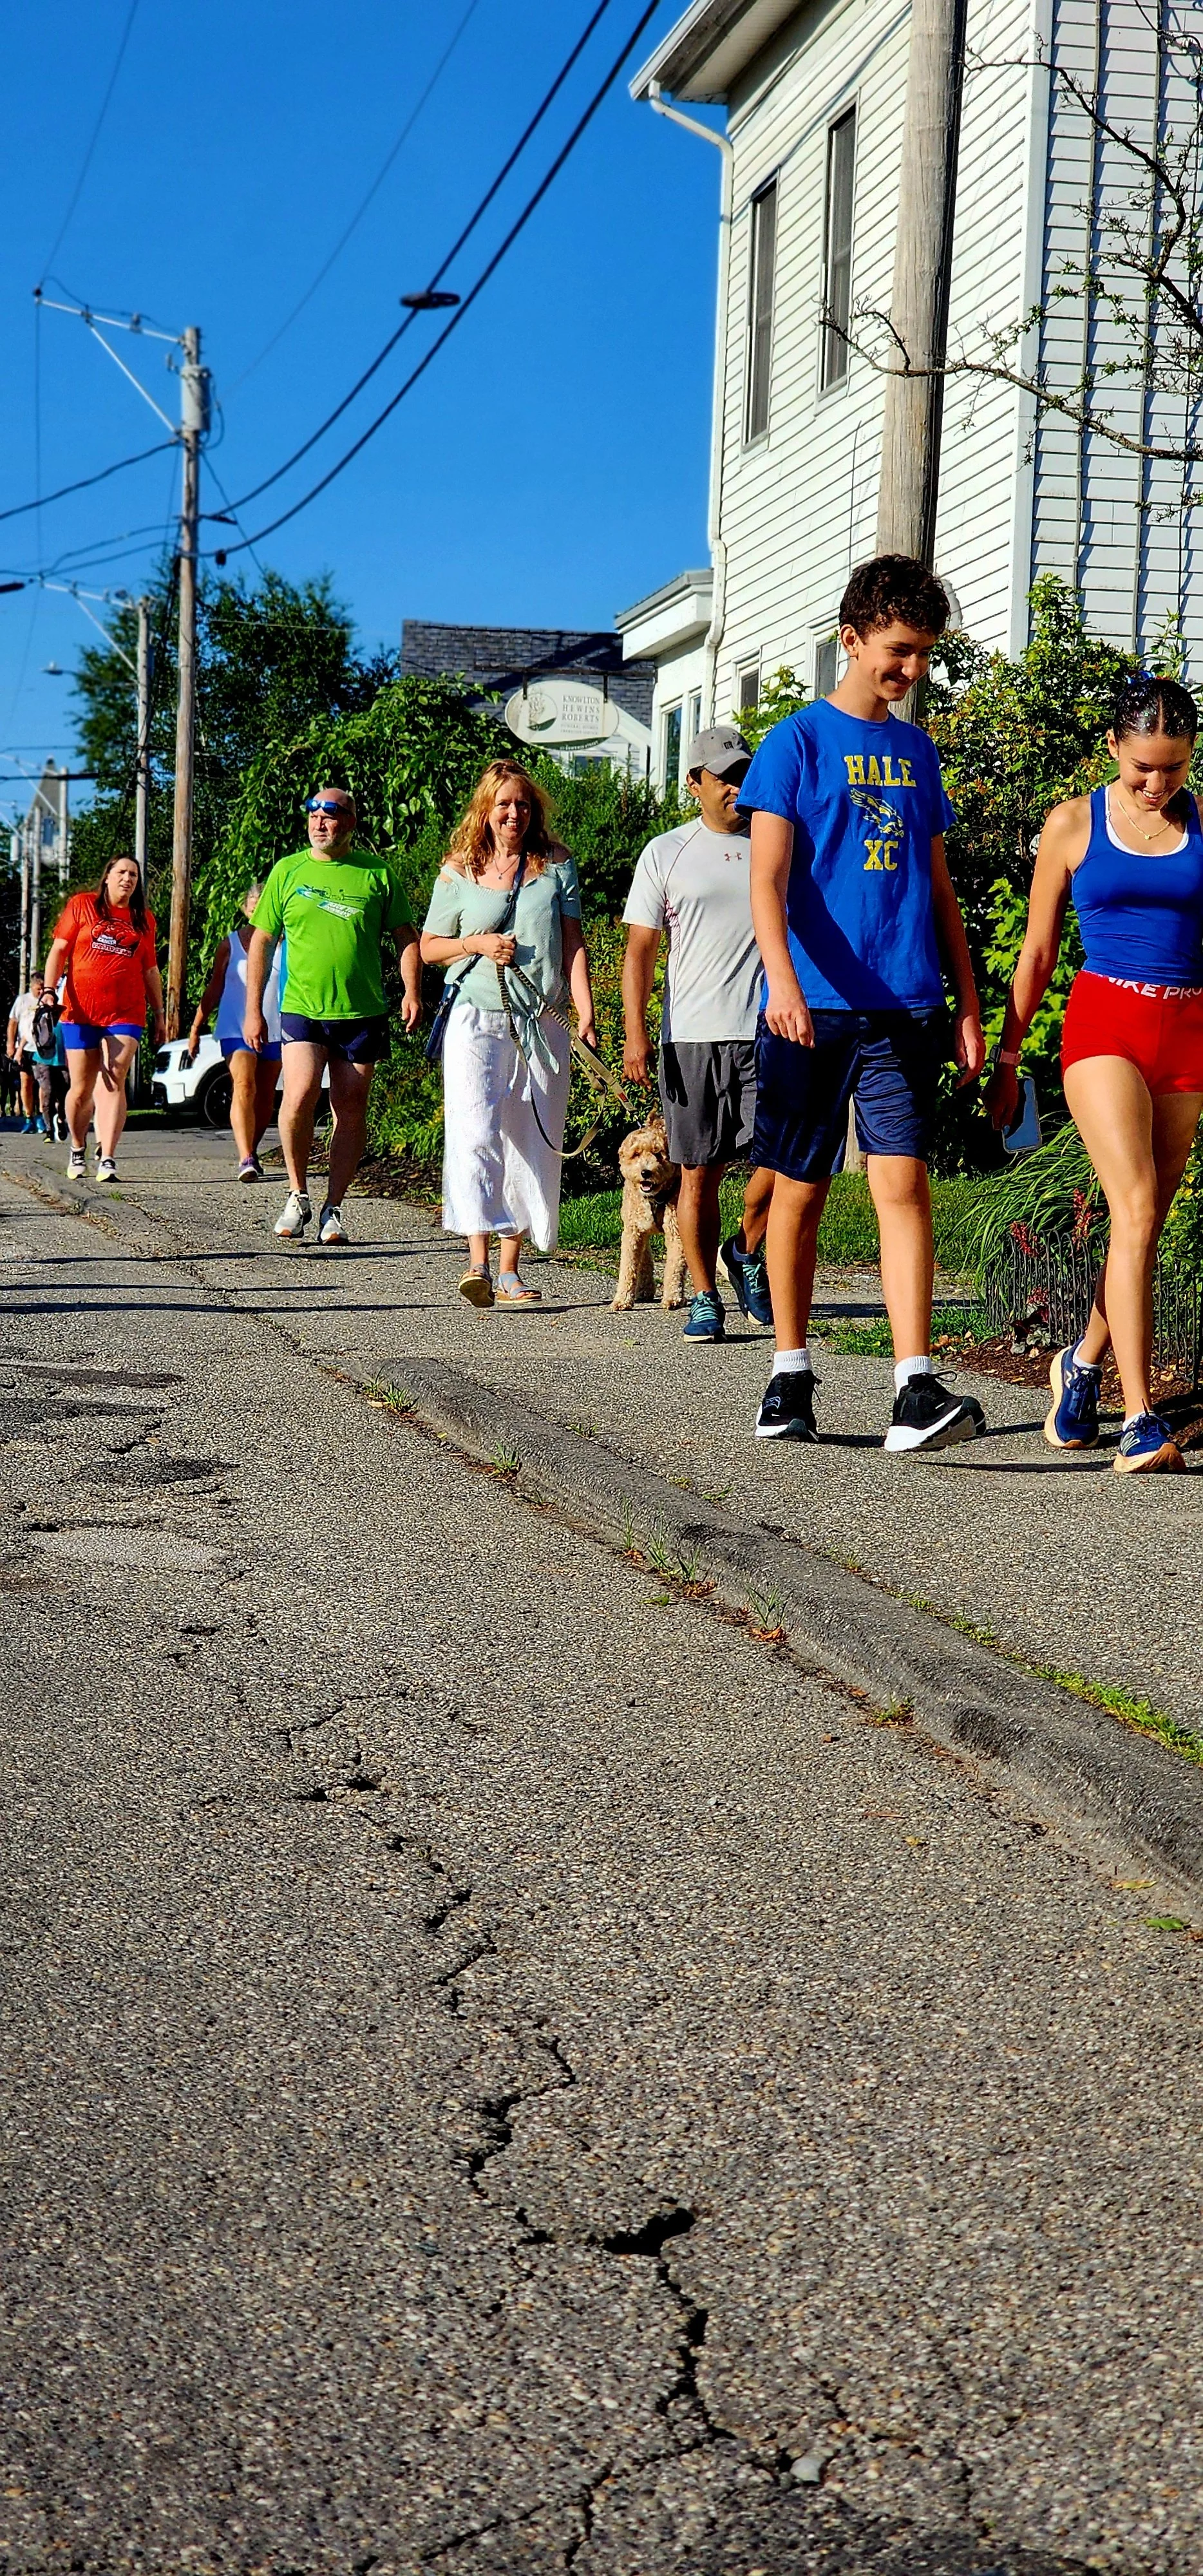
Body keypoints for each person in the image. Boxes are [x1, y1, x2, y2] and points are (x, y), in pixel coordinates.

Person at [741, 552, 986, 1451]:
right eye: (898, 650)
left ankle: (913, 1389)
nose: (912, 670)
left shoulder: (916, 751)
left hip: (905, 1007)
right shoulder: (796, 744)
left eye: (922, 654)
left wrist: (964, 1004)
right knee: (798, 1191)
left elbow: (939, 888)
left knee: (902, 1182)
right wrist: (784, 983)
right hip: (812, 1008)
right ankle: (790, 1375)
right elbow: (766, 881)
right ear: (852, 639)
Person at [987, 672, 1203, 1474]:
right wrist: (1008, 1057)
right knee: (1137, 1203)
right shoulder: (1073, 823)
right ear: (1112, 746)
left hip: (1186, 1030)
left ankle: (1076, 1367)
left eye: (1173, 768)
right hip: (1104, 1023)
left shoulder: (1201, 821)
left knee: (1139, 1227)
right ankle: (1138, 1419)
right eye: (1141, 766)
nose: (1155, 784)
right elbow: (1037, 950)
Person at [421, 759, 596, 1307]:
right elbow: (429, 948)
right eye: (503, 804)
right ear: (486, 811)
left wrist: (585, 1012)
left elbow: (574, 944)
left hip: (542, 1020)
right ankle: (476, 1261)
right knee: (476, 1131)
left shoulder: (557, 865)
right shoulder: (458, 870)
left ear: (533, 809)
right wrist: (474, 944)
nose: (513, 813)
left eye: (522, 803)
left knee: (531, 1140)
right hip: (476, 1018)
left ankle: (511, 1269)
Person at [621, 724, 775, 1341]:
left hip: (768, 1030)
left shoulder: (776, 842)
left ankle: (745, 1248)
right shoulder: (667, 851)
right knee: (698, 1173)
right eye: (724, 777)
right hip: (691, 1036)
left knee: (784, 1163)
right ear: (695, 783)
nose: (737, 787)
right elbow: (639, 950)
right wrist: (635, 1032)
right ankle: (706, 1296)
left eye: (744, 774)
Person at [245, 785, 421, 1245]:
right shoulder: (287, 871)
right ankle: (297, 1193)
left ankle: (333, 1207)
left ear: (351, 822)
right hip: (303, 1006)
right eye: (313, 812)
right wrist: (253, 1010)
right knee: (299, 1094)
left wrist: (412, 990)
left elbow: (406, 936)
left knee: (350, 1107)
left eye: (332, 813)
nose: (320, 820)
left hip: (362, 1011)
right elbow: (261, 940)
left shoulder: (377, 874)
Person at [43, 857, 165, 1183]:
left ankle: (108, 1157)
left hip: (126, 1013)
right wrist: (49, 991)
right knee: (81, 1088)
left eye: (134, 875)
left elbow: (151, 970)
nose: (128, 879)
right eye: (122, 873)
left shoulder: (143, 920)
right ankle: (78, 1147)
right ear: (107, 877)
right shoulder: (82, 906)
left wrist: (161, 1015)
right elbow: (60, 949)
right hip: (80, 1010)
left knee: (114, 1077)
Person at [187, 883, 283, 1179]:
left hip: (274, 1027)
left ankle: (252, 1150)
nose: (257, 908)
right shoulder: (230, 944)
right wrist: (196, 1027)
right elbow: (215, 987)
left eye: (263, 903)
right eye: (252, 904)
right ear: (244, 909)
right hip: (235, 1026)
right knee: (244, 1085)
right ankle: (245, 1157)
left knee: (267, 1093)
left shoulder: (285, 942)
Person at [6, 975, 46, 1133]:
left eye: (43, 988)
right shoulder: (22, 1001)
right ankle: (29, 1117)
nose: (41, 991)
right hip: (24, 1048)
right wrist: (11, 1045)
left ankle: (43, 1117)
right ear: (32, 987)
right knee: (26, 1082)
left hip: (42, 1048)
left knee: (44, 1083)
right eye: (39, 989)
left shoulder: (47, 1000)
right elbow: (13, 1023)